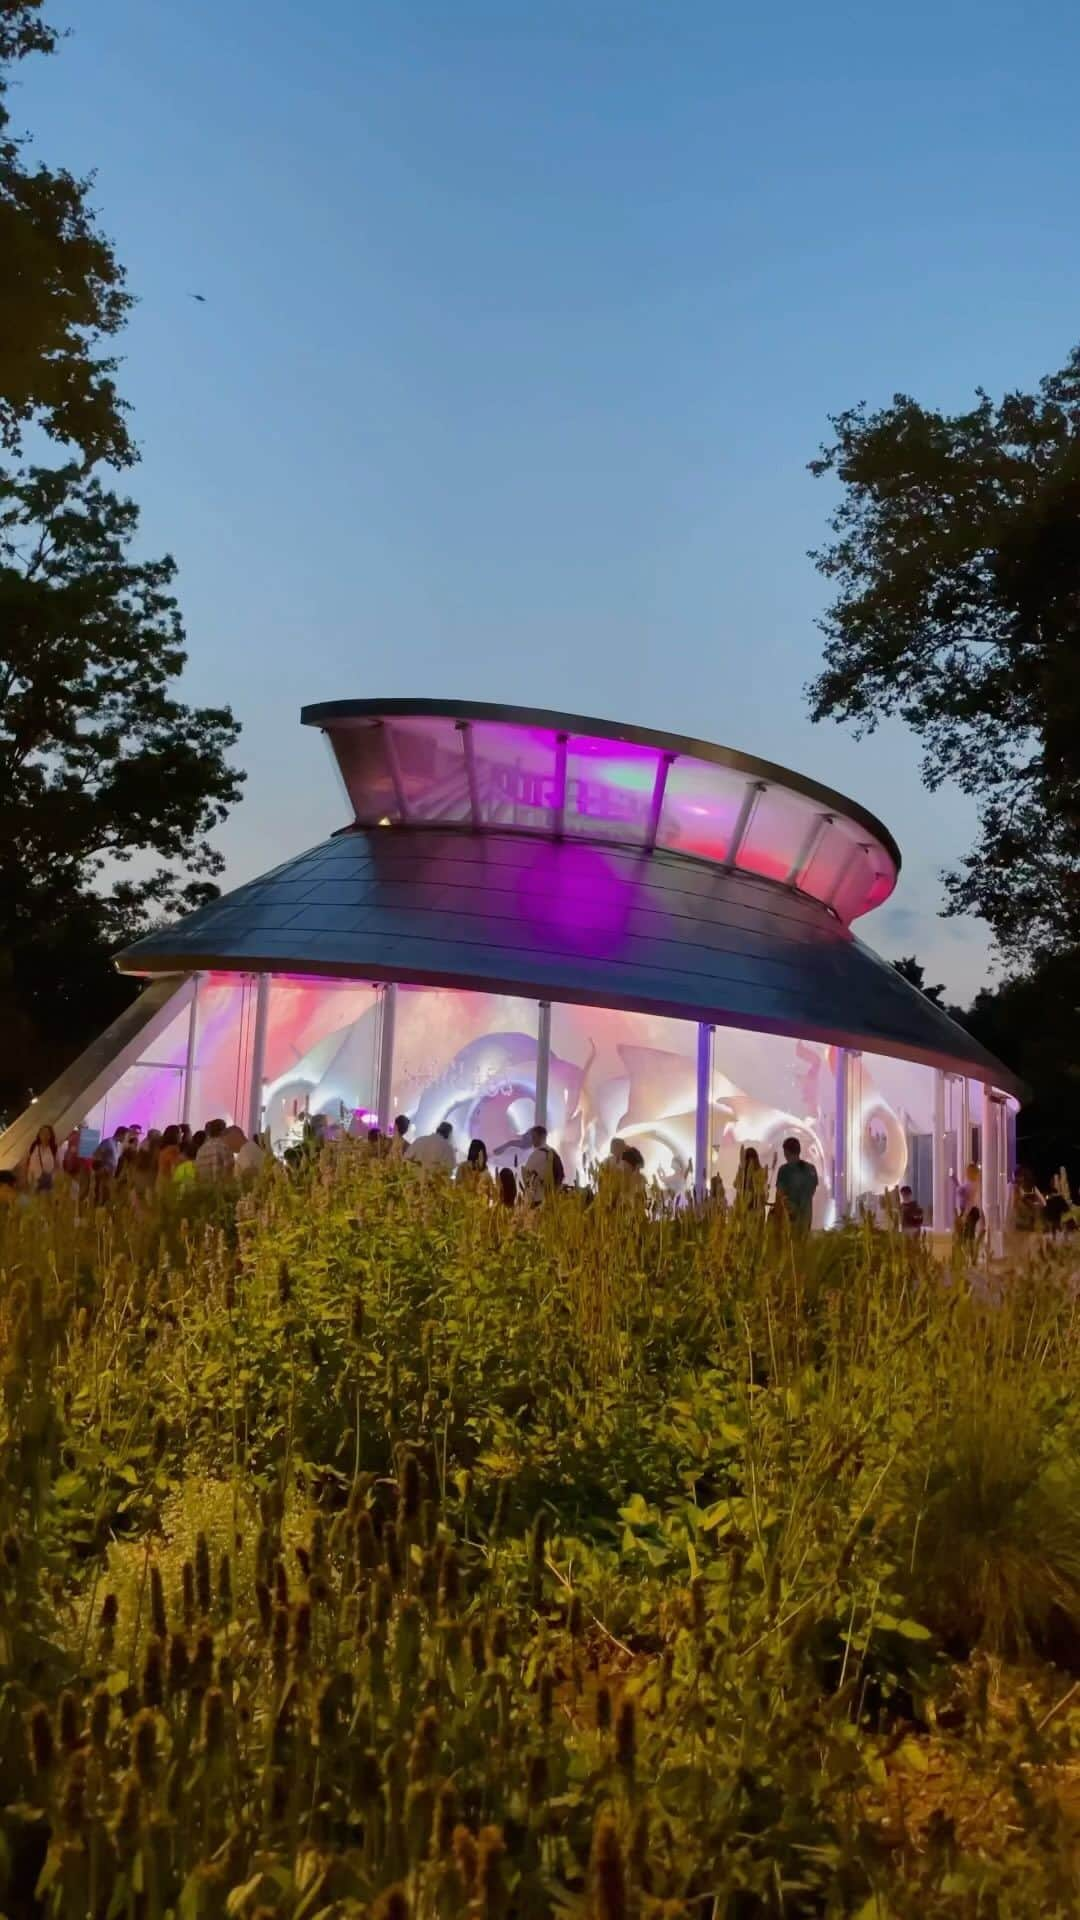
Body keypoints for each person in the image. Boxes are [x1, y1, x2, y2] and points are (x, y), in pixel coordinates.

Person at [774, 1137, 818, 1237]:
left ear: (786, 1152)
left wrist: (777, 1217)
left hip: (790, 1218)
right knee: (803, 1246)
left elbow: (779, 1194)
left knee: (790, 1248)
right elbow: (812, 1191)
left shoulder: (784, 1170)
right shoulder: (811, 1169)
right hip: (806, 1216)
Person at [521, 1125, 564, 1205]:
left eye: (534, 1137)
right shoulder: (553, 1152)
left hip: (537, 1198)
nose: (532, 1140)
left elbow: (527, 1175)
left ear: (542, 1137)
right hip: (551, 1197)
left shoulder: (538, 1154)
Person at [195, 1117, 235, 1181]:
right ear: (223, 1131)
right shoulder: (224, 1146)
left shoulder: (201, 1149)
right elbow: (229, 1169)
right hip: (220, 1188)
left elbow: (197, 1171)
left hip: (204, 1188)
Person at [25, 1124, 60, 1193]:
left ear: (51, 1136)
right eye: (42, 1133)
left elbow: (57, 1166)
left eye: (47, 1133)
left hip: (47, 1181)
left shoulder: (54, 1148)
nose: (45, 1136)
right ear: (39, 1134)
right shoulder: (34, 1146)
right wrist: (27, 1179)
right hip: (33, 1181)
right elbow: (28, 1162)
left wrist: (54, 1179)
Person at [1010, 1167, 1045, 1235]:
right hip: (1021, 1222)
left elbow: (1043, 1203)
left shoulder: (1031, 1188)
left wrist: (1029, 1202)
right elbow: (1014, 1206)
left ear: (1023, 1177)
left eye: (1017, 1178)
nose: (1016, 1180)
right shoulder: (1015, 1188)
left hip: (1027, 1221)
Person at [734, 1145, 766, 1213]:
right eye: (748, 1159)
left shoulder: (760, 1172)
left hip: (756, 1204)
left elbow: (762, 1189)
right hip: (743, 1204)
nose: (751, 1162)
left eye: (753, 1158)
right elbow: (735, 1184)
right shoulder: (742, 1172)